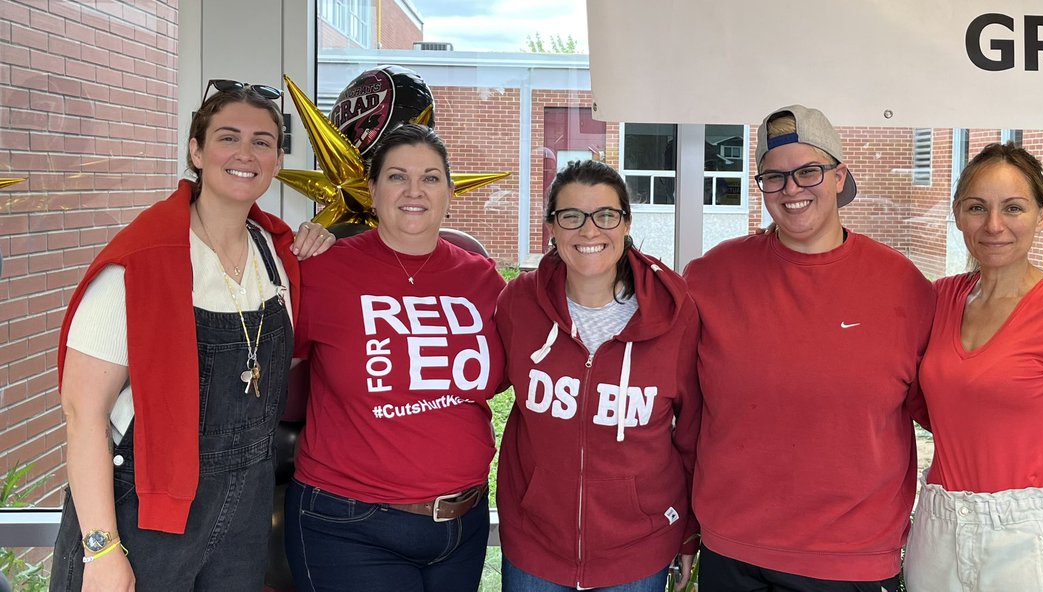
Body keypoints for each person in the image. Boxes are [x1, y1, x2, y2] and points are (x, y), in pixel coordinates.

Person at [50, 79, 335, 592]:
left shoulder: (279, 256)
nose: (245, 153)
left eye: (263, 142)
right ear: (196, 151)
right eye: (228, 137)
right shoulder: (139, 264)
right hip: (144, 515)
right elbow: (83, 415)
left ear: (275, 160)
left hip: (245, 514)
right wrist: (102, 550)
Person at [682, 104, 936, 591]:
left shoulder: (902, 287)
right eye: (774, 178)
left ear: (840, 177)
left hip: (852, 556)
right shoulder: (711, 277)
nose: (792, 189)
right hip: (733, 549)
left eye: (808, 171)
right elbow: (673, 402)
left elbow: (952, 403)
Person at [283, 124, 506, 592]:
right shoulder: (322, 269)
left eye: (430, 178)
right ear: (372, 188)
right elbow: (265, 369)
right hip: (350, 524)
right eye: (396, 176)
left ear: (449, 191)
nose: (414, 191)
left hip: (462, 527)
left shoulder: (483, 278)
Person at [903, 143, 1043, 592]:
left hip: (1028, 537)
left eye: (1014, 208)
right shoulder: (937, 299)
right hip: (939, 527)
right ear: (957, 213)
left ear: (1041, 214)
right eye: (977, 207)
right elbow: (935, 403)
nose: (994, 225)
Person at [494, 160, 702, 591]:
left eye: (605, 215)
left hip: (637, 549)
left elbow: (693, 433)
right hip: (536, 546)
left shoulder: (675, 315)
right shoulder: (518, 303)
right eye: (571, 216)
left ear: (625, 223)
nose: (589, 231)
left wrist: (687, 529)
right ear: (551, 226)